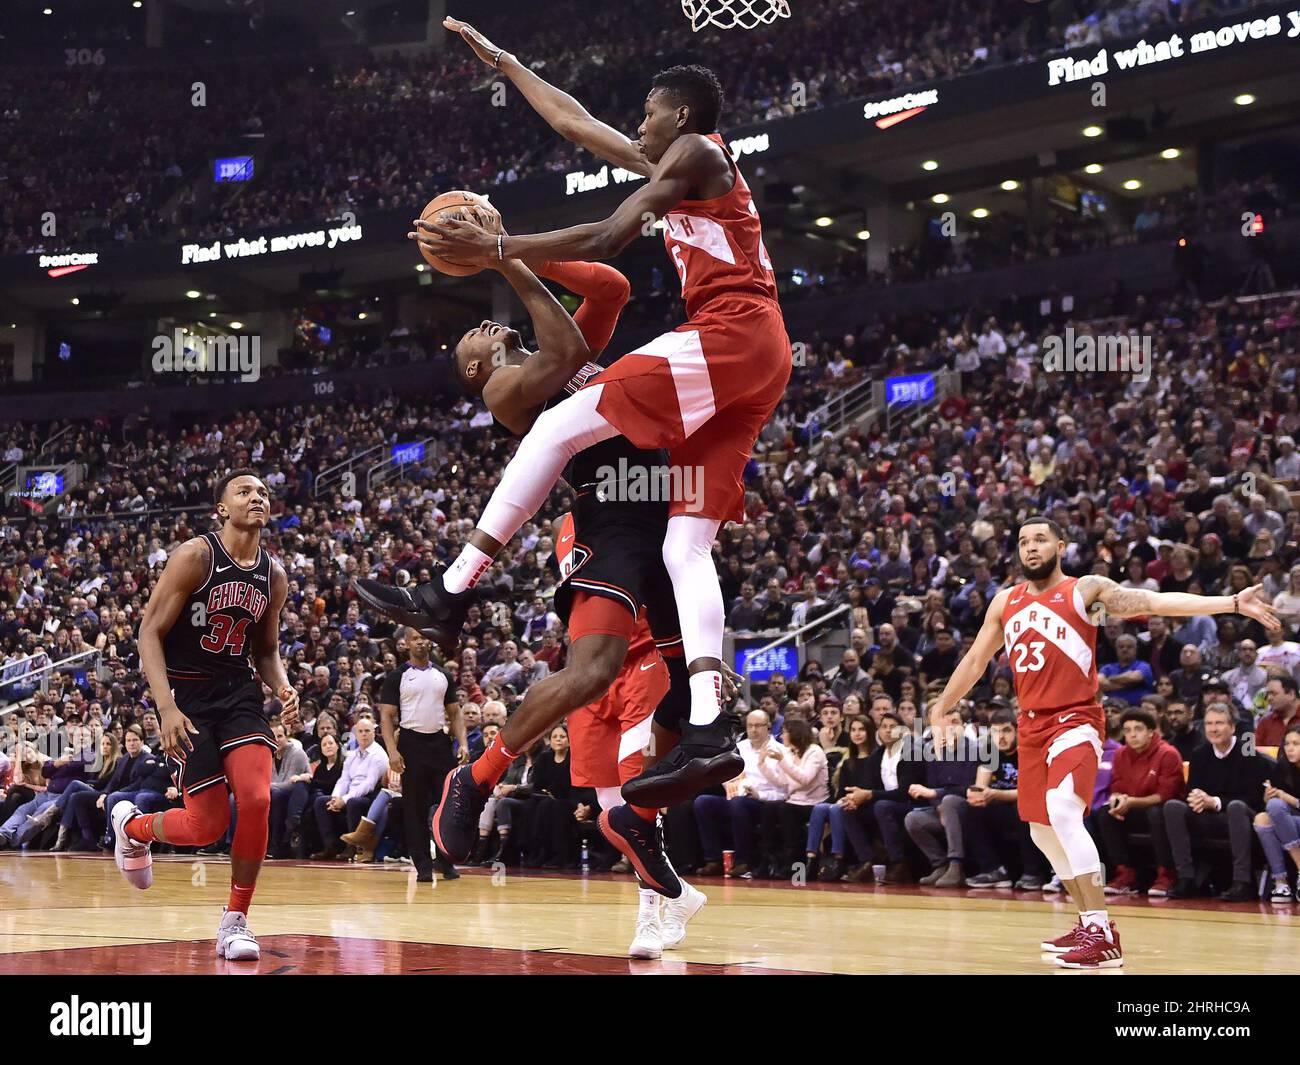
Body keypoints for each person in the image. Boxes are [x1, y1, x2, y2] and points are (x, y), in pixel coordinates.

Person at [368, 21, 791, 815]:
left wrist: (502, 246)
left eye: (649, 112)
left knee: (559, 429)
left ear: (683, 118)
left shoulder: (701, 157)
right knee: (686, 542)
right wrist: (507, 60)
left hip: (732, 329)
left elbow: (606, 236)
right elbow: (576, 124)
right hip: (757, 354)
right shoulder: (680, 162)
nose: (638, 124)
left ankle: (450, 589)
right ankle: (708, 724)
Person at [927, 515, 1279, 968]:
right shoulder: (1004, 602)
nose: (1031, 547)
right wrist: (941, 707)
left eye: (1040, 539)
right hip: (1031, 726)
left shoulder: (1084, 590)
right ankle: (1091, 924)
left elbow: (1153, 600)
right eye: (1023, 541)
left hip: (1075, 718)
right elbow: (976, 660)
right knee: (1040, 829)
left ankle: (1100, 929)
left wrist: (1229, 602)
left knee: (1062, 809)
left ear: (1061, 545)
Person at [112, 469, 300, 962]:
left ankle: (235, 919)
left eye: (262, 492)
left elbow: (266, 649)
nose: (256, 497)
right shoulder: (196, 556)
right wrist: (166, 707)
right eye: (244, 491)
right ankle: (132, 828)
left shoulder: (273, 575)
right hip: (188, 696)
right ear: (222, 509)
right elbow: (148, 632)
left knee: (257, 798)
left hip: (238, 693)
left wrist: (281, 684)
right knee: (206, 826)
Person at [376, 628, 465, 883]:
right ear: (405, 643)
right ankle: (423, 864)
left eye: (424, 637)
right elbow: (386, 717)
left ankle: (446, 861)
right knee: (414, 808)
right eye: (415, 638)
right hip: (411, 743)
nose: (420, 642)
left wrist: (462, 743)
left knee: (446, 805)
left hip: (439, 742)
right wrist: (392, 752)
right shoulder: (397, 677)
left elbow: (455, 712)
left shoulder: (443, 675)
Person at [1154, 704, 1268, 901]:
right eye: (1208, 724)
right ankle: (1186, 878)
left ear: (1232, 727)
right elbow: (1191, 792)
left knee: (1236, 807)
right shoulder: (1200, 753)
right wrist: (1196, 798)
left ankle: (1242, 882)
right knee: (1173, 807)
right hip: (1208, 817)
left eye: (1219, 723)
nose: (1213, 729)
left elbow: (1253, 798)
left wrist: (1214, 802)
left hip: (1242, 816)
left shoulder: (1247, 751)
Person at [1093, 707, 1184, 897]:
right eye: (1127, 730)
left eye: (1138, 729)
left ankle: (1166, 874)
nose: (1132, 735)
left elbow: (1165, 796)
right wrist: (1116, 799)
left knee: (1156, 812)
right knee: (1105, 813)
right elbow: (1117, 786)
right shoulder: (1120, 754)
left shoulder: (1168, 754)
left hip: (1163, 811)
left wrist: (1132, 802)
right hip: (1132, 807)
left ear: (1151, 732)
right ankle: (1125, 873)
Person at [963, 709, 1048, 890]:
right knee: (970, 810)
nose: (1000, 737)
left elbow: (1030, 792)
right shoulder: (990, 751)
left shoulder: (1028, 751)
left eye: (1006, 731)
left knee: (1023, 808)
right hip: (1001, 805)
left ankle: (1033, 873)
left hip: (1028, 805)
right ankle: (993, 870)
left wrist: (995, 794)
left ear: (1017, 731)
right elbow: (981, 785)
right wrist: (976, 794)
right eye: (995, 732)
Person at [1254, 723, 1300, 903]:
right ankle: (1281, 883)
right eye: (1287, 744)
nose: (1290, 748)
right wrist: (1268, 797)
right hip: (1286, 821)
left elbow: (1288, 801)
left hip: (1293, 820)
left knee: (1276, 806)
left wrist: (1284, 796)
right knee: (1263, 816)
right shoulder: (1281, 767)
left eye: (1296, 744)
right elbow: (1272, 806)